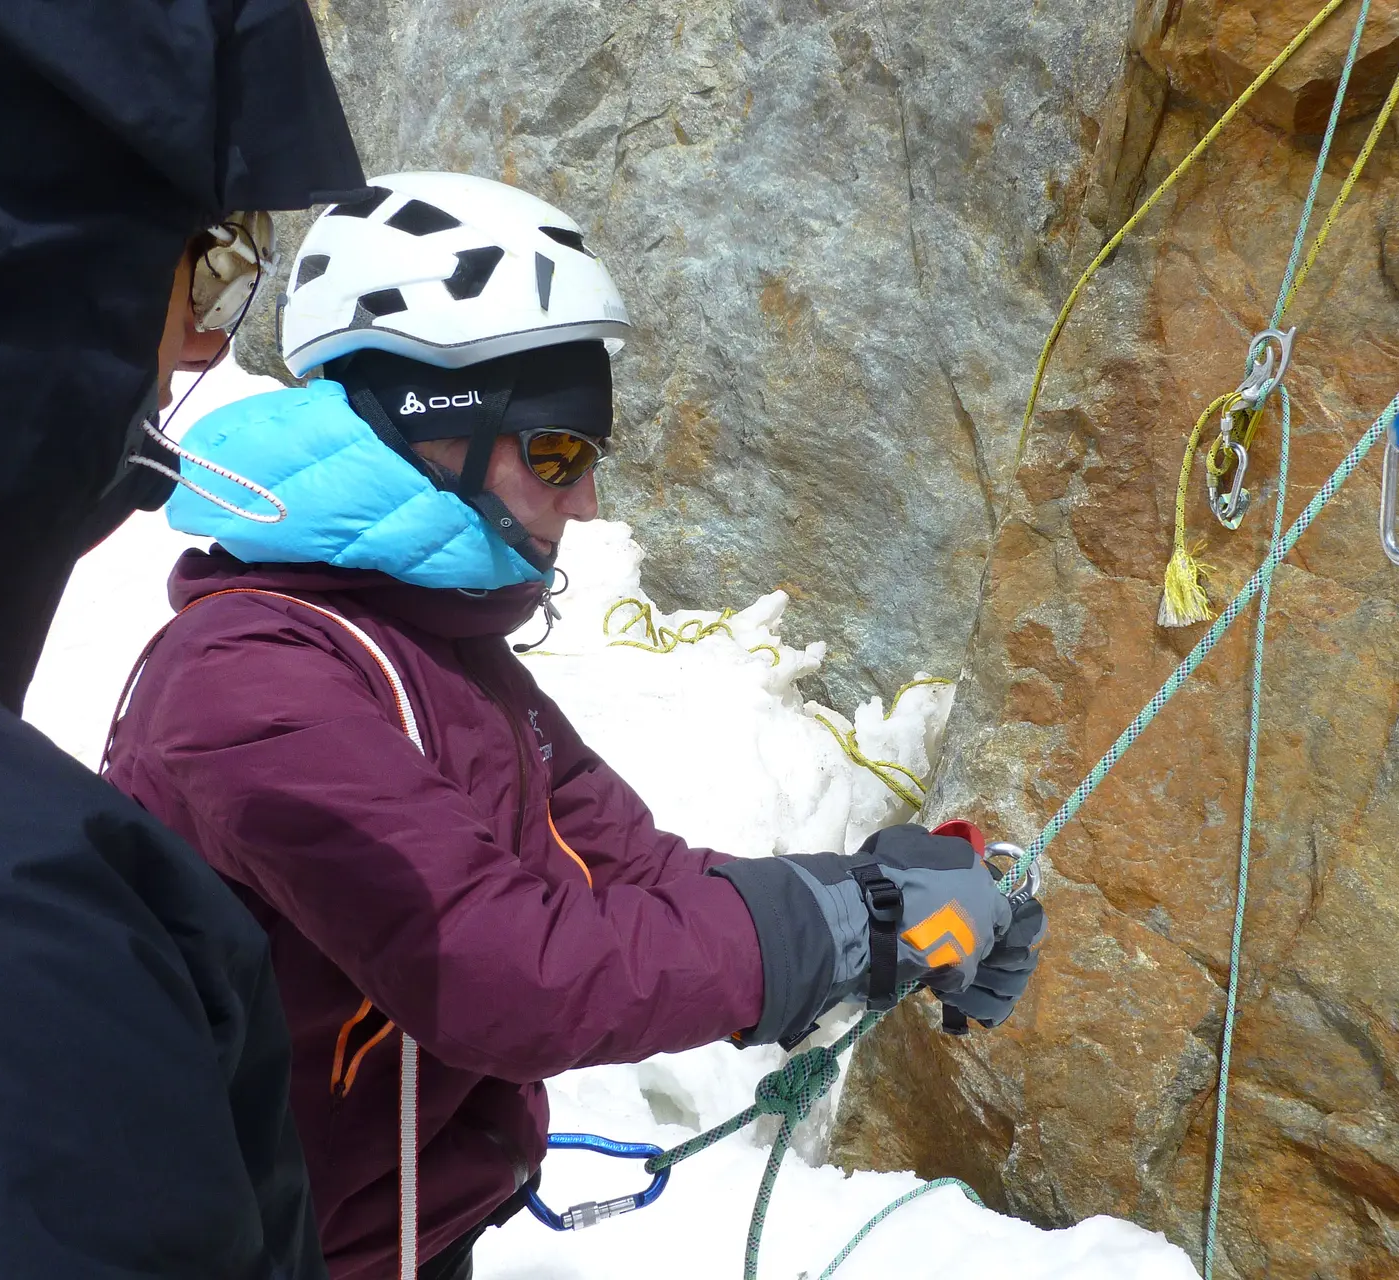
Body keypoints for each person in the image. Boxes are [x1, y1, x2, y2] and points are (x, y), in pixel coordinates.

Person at [101, 172, 1050, 1280]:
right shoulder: (249, 681)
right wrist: (848, 922)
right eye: (558, 452)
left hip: (388, 1243)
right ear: (431, 433)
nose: (589, 500)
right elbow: (501, 969)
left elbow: (630, 880)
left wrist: (889, 910)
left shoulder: (437, 654)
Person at [0, 2, 365, 1274]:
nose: (204, 340)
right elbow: (494, 950)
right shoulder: (0, 963)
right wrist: (815, 928)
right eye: (203, 264)